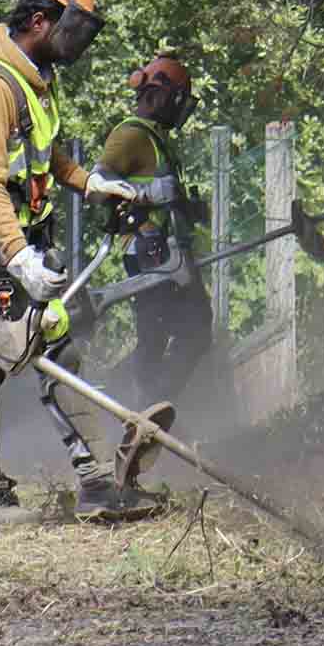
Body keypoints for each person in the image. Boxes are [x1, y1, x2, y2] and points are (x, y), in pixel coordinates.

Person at [0, 0, 161, 526]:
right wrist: (20, 259)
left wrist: (90, 184)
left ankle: (94, 484)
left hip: (22, 239)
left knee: (61, 348)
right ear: (41, 19)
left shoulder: (34, 79)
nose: (79, 40)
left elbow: (43, 154)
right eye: (75, 26)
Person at [90, 54, 215, 409]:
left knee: (195, 328)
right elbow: (98, 185)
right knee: (157, 333)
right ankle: (145, 406)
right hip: (147, 252)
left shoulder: (157, 140)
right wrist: (145, 195)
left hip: (170, 252)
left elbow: (165, 196)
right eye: (178, 99)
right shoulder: (130, 134)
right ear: (158, 95)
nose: (180, 109)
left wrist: (188, 208)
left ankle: (153, 404)